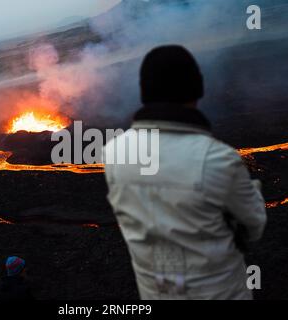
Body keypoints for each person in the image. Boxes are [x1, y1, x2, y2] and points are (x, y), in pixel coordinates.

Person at [103, 45, 267, 300]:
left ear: (145, 92)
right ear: (197, 88)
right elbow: (254, 226)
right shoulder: (218, 159)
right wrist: (252, 190)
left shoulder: (113, 153)